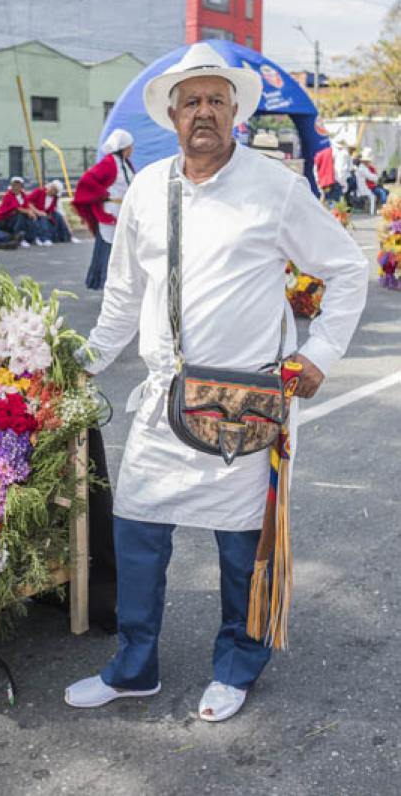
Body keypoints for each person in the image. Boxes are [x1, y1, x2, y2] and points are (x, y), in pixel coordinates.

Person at [64, 42, 368, 721]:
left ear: (235, 112)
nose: (203, 112)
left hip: (243, 406)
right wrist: (77, 366)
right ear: (170, 115)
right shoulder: (145, 187)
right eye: (191, 101)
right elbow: (119, 300)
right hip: (161, 400)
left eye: (216, 100)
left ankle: (235, 665)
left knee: (241, 553)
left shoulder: (275, 187)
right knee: (138, 534)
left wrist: (318, 352)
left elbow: (347, 269)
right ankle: (132, 667)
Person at [74, 129, 135, 290]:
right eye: (130, 146)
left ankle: (119, 283)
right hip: (111, 210)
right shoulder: (110, 162)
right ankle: (105, 282)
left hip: (123, 211)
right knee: (108, 247)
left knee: (122, 248)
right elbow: (87, 180)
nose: (132, 150)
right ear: (123, 147)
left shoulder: (126, 164)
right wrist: (103, 194)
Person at [0, 176, 52, 248]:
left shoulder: (23, 195)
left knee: (31, 218)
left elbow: (26, 206)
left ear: (21, 187)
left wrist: (32, 212)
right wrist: (28, 212)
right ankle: (20, 239)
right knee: (21, 215)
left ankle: (33, 238)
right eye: (14, 185)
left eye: (18, 185)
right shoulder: (8, 195)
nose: (16, 187)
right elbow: (17, 208)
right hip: (1, 220)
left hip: (13, 218)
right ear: (11, 186)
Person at [27, 179, 80, 244]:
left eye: (56, 192)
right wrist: (37, 212)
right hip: (36, 214)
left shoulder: (55, 198)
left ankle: (69, 237)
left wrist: (68, 227)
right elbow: (28, 203)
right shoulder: (39, 191)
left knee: (58, 216)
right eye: (55, 191)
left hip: (46, 215)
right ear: (52, 188)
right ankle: (45, 239)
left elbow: (59, 211)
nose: (55, 193)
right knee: (44, 218)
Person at [354, 150, 379, 215]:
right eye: (368, 161)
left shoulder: (362, 167)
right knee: (373, 197)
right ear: (365, 161)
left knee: (373, 195)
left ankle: (372, 212)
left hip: (363, 187)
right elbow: (372, 177)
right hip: (363, 189)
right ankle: (372, 213)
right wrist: (376, 174)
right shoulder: (363, 169)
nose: (369, 162)